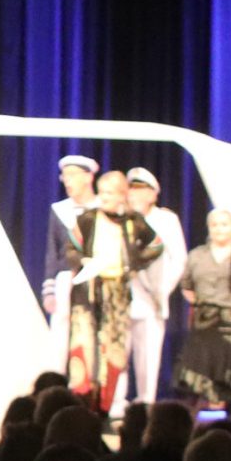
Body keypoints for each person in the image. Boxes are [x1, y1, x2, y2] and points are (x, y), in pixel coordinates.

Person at [65, 169, 161, 413]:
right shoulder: (87, 219)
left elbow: (157, 245)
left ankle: (104, 406)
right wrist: (84, 261)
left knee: (113, 350)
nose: (104, 198)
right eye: (102, 192)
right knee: (83, 346)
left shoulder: (133, 221)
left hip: (117, 293)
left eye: (110, 193)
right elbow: (70, 248)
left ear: (122, 195)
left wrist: (135, 261)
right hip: (88, 291)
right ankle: (81, 404)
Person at [175, 208, 231, 407]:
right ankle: (193, 417)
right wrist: (199, 304)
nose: (219, 229)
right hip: (205, 324)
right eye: (215, 225)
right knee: (197, 376)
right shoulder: (197, 256)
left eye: (224, 224)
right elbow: (186, 285)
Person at [122, 168, 189, 409]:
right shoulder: (121, 217)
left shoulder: (166, 220)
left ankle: (146, 403)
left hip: (152, 299)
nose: (134, 195)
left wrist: (162, 288)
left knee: (148, 356)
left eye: (140, 190)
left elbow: (179, 259)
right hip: (122, 297)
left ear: (152, 194)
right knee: (119, 355)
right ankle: (117, 405)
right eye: (132, 189)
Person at [42, 152, 98, 324]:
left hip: (96, 280)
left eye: (72, 175)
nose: (67, 181)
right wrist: (49, 290)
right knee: (61, 330)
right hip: (66, 280)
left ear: (88, 177)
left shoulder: (102, 208)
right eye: (64, 176)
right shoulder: (60, 210)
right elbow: (52, 251)